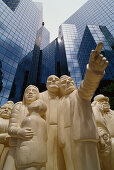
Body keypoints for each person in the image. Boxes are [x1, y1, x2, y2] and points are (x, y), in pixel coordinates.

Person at [58, 42, 108, 170]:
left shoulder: (79, 94)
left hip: (84, 137)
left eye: (70, 80)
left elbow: (88, 87)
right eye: (63, 82)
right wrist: (62, 137)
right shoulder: (61, 101)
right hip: (67, 140)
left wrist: (93, 72)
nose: (68, 82)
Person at [3, 85, 39, 170]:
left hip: (33, 148)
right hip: (15, 146)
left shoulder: (40, 109)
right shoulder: (18, 106)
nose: (30, 92)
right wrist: (19, 132)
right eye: (28, 91)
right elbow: (11, 128)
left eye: (34, 91)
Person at [40, 75, 66, 170]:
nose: (53, 81)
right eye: (50, 80)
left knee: (61, 156)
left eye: (56, 80)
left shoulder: (64, 96)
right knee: (47, 155)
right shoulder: (39, 96)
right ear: (46, 84)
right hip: (45, 129)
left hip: (62, 130)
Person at [16, 99, 47, 170]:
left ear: (37, 106)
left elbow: (22, 137)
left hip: (27, 153)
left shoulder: (28, 119)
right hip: (41, 154)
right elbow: (45, 138)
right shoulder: (44, 122)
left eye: (34, 102)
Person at [92, 94, 114, 170]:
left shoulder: (112, 113)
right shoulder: (95, 113)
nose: (105, 102)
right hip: (105, 138)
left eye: (106, 100)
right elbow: (97, 125)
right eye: (102, 101)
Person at [0, 101, 14, 170]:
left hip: (6, 148)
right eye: (4, 108)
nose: (6, 110)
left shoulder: (12, 123)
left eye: (9, 109)